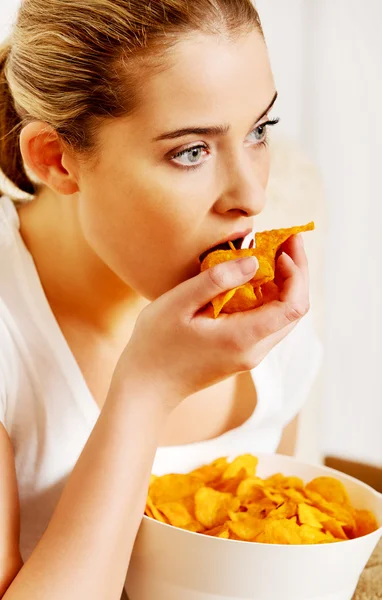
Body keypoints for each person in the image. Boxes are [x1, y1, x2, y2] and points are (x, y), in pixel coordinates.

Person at [0, 0, 322, 598]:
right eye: (191, 151)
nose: (251, 196)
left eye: (259, 131)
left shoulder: (269, 314)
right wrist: (146, 389)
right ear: (56, 158)